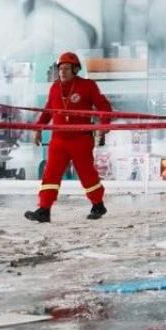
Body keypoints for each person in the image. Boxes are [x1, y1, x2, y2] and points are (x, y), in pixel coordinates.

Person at [24, 52, 111, 223]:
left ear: (75, 69)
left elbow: (103, 106)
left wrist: (104, 124)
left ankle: (98, 204)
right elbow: (48, 110)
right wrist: (39, 129)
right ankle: (44, 209)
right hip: (59, 140)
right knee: (50, 174)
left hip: (81, 139)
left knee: (86, 173)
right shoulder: (54, 88)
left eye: (66, 68)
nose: (62, 72)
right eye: (60, 68)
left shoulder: (88, 86)